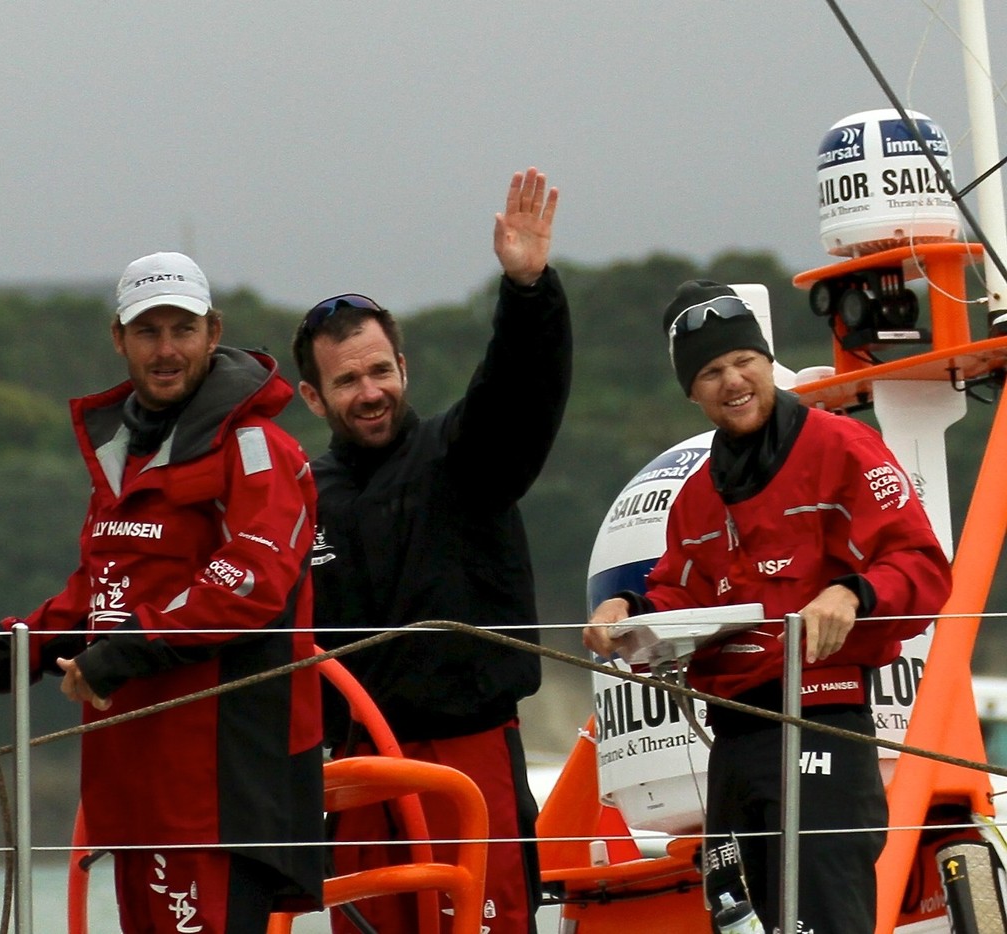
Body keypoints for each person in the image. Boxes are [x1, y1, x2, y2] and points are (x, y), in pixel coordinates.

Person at [583, 279, 952, 934]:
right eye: (712, 371)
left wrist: (853, 591)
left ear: (767, 362)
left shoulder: (843, 448)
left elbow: (923, 568)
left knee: (826, 920)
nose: (733, 380)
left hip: (822, 725)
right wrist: (625, 608)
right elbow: (678, 591)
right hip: (732, 739)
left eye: (743, 361)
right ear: (691, 392)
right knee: (740, 921)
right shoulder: (696, 496)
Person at [0, 251, 325, 934]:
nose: (166, 350)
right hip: (134, 781)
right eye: (148, 331)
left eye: (182, 330)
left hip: (219, 789)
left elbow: (251, 579)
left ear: (212, 331)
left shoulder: (258, 446)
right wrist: (14, 650)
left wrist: (127, 649)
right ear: (119, 339)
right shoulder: (123, 455)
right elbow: (98, 590)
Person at [291, 166, 571, 933]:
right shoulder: (293, 498)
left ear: (404, 369)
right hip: (354, 777)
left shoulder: (464, 457)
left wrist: (527, 290)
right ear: (314, 399)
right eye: (348, 381)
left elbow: (519, 391)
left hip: (469, 761)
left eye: (381, 370)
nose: (371, 390)